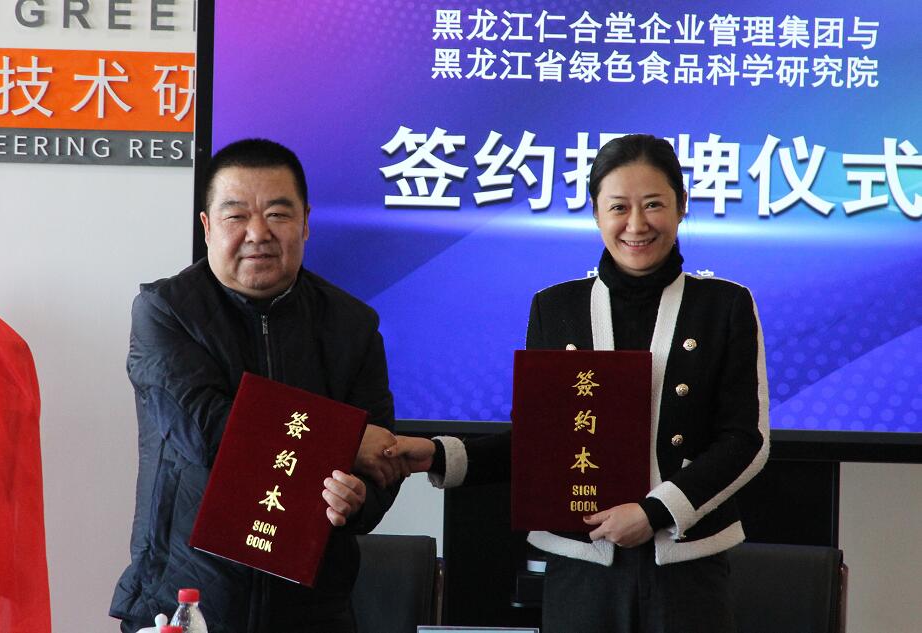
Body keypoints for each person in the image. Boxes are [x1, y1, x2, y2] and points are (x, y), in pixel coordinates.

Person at [392, 134, 770, 633]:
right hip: (582, 566)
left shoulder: (725, 305)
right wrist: (439, 455)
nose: (636, 224)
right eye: (618, 207)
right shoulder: (556, 308)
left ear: (682, 205)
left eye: (653, 204)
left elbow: (746, 440)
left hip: (688, 566)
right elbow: (540, 444)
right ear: (596, 213)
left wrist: (655, 511)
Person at [110, 138, 405, 633]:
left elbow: (382, 457)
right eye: (236, 216)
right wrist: (346, 442)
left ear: (305, 223)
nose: (257, 233)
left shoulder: (352, 325)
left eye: (277, 214)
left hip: (314, 610)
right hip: (188, 603)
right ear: (207, 226)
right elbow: (208, 434)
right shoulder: (166, 312)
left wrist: (358, 500)